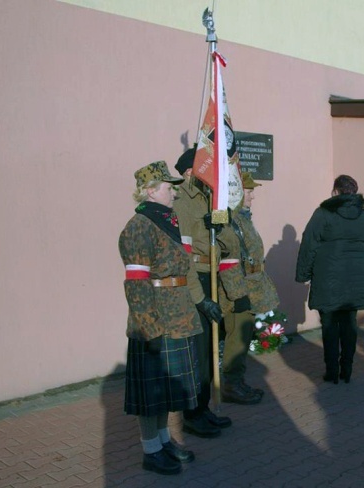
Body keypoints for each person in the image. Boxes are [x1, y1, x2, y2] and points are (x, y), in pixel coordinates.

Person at [118, 161, 223, 475]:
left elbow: (186, 269)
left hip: (178, 317)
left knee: (164, 392)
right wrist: (149, 327)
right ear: (150, 190)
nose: (174, 193)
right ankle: (151, 450)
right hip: (157, 321)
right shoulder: (138, 227)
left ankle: (163, 441)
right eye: (168, 187)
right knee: (152, 394)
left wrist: (199, 302)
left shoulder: (169, 221)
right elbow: (136, 283)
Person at [173, 147, 232, 438]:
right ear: (188, 173)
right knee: (196, 352)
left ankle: (203, 407)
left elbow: (228, 240)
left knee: (210, 349)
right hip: (194, 276)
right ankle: (192, 413)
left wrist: (222, 221)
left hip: (211, 274)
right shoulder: (182, 200)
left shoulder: (209, 200)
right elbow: (183, 249)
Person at [295, 175, 364, 384]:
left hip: (327, 277)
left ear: (335, 191)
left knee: (329, 325)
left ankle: (332, 371)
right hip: (354, 280)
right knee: (349, 323)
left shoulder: (323, 214)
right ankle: (346, 369)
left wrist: (303, 274)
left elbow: (309, 244)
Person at [217, 172, 280, 404]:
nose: (252, 196)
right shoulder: (230, 220)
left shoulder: (242, 218)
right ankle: (231, 385)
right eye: (248, 191)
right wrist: (239, 294)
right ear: (235, 193)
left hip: (248, 287)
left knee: (241, 339)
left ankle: (237, 381)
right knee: (237, 339)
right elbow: (229, 258)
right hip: (238, 290)